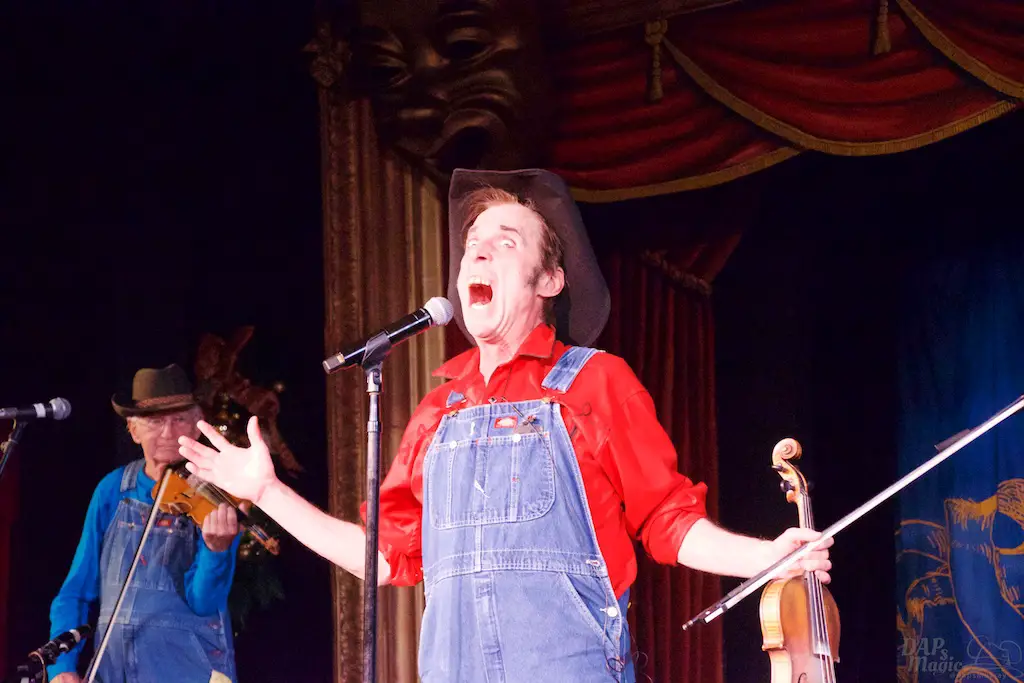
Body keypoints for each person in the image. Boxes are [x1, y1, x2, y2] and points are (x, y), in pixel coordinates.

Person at [179, 168, 833, 682]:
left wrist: (765, 556)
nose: (478, 256)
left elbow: (668, 520)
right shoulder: (437, 413)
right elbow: (382, 557)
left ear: (549, 279)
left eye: (505, 243)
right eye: (472, 247)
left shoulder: (595, 383)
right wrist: (267, 492)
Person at [48, 364, 242, 683]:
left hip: (189, 672)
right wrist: (62, 666)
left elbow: (204, 602)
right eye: (154, 421)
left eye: (179, 419)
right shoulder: (113, 490)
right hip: (114, 672)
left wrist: (216, 550)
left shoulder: (214, 495)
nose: (168, 433)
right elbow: (76, 592)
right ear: (133, 430)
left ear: (198, 426)